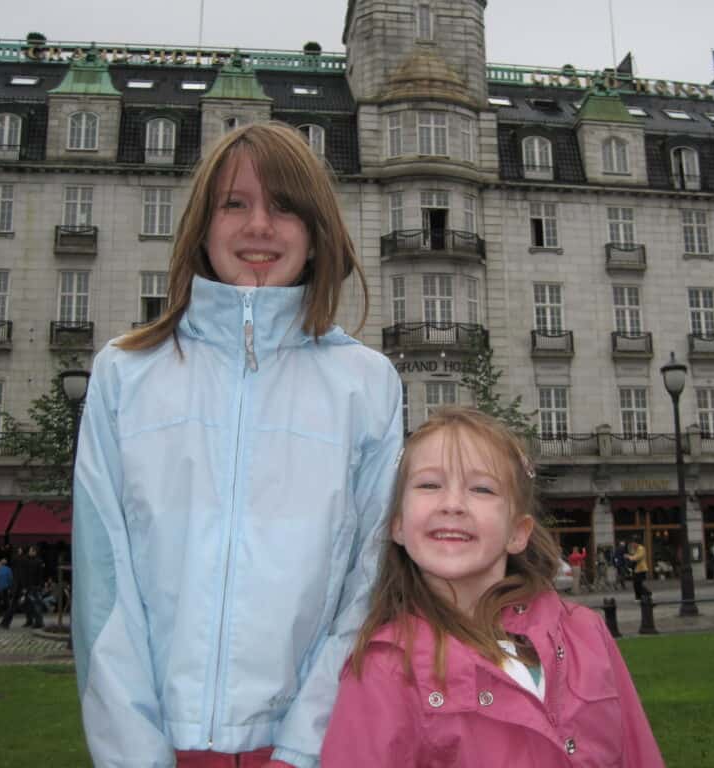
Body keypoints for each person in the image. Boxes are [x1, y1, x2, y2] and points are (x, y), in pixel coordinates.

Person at [72, 122, 403, 768]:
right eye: (235, 204)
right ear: (201, 225)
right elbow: (103, 586)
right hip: (163, 745)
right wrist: (136, 756)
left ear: (316, 235)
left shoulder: (366, 384)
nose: (259, 226)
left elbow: (371, 584)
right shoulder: (125, 373)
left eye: (283, 207)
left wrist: (305, 747)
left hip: (307, 748)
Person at [321, 407, 663, 767]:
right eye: (429, 485)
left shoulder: (585, 633)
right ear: (398, 526)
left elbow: (638, 752)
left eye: (482, 488)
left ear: (518, 532)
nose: (452, 504)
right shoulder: (385, 666)